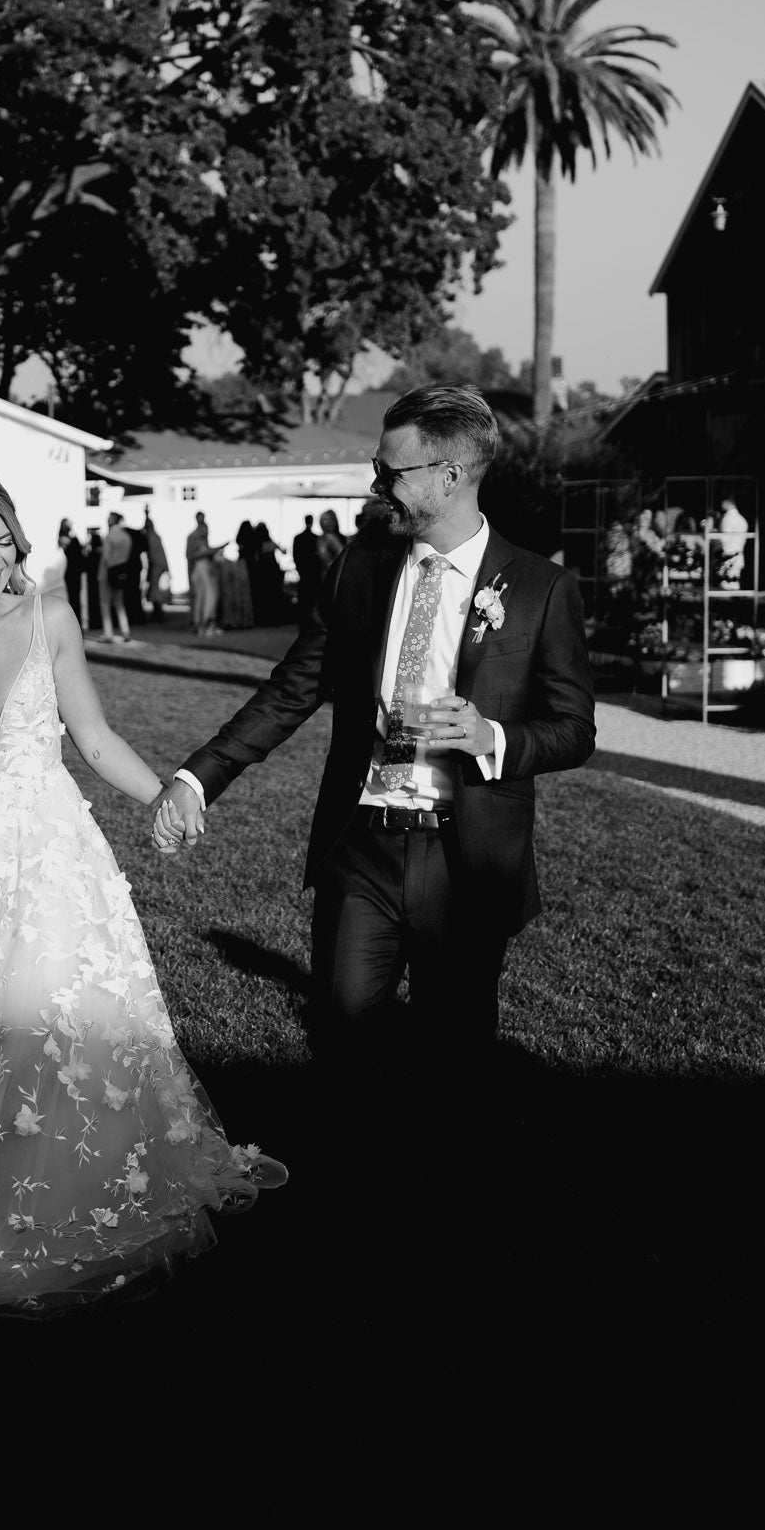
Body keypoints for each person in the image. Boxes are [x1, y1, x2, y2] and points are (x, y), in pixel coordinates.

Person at [0, 470, 286, 1324]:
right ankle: (6, 1176)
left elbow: (96, 737)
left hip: (56, 855)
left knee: (52, 1026)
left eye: (3, 541)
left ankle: (48, 1210)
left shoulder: (50, 619)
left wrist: (164, 798)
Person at [151, 384, 595, 1097]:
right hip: (362, 850)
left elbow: (574, 729)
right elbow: (291, 691)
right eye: (376, 466)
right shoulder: (359, 568)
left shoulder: (542, 588)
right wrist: (197, 777)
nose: (376, 482)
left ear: (449, 476)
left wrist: (490, 736)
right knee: (341, 1043)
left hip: (467, 861)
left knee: (455, 1066)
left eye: (391, 470)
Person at [99, 512, 135, 643]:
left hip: (107, 572)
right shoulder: (126, 537)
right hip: (121, 572)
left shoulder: (110, 536)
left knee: (105, 603)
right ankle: (125, 631)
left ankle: (108, 633)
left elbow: (106, 557)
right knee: (119, 603)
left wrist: (111, 568)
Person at [186, 513, 223, 636]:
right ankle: (202, 622)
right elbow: (191, 556)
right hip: (200, 571)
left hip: (206, 569)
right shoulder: (192, 537)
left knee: (208, 596)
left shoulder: (203, 539)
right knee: (203, 596)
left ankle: (205, 621)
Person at [292, 516, 322, 621]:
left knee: (304, 597)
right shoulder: (316, 538)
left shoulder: (298, 538)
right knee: (312, 596)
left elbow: (295, 555)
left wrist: (299, 568)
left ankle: (304, 619)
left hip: (304, 571)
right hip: (313, 572)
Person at [143, 512, 171, 620]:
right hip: (158, 567)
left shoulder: (152, 538)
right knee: (156, 591)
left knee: (156, 592)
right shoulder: (155, 536)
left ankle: (158, 613)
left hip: (157, 568)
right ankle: (157, 612)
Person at [58, 518, 85, 620]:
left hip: (76, 571)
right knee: (74, 598)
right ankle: (75, 621)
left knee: (76, 598)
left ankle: (78, 621)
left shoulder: (70, 536)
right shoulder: (64, 538)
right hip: (71, 572)